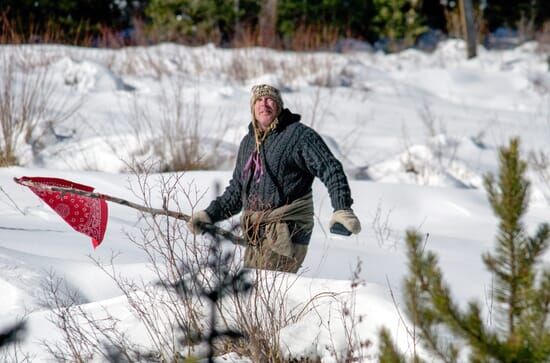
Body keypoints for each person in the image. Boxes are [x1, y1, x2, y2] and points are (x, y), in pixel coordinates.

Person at [187, 84, 361, 273]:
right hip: (256, 235)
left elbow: (330, 168)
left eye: (270, 99)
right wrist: (210, 214)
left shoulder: (298, 136)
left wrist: (342, 208)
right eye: (259, 100)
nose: (264, 104)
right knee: (258, 298)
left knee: (267, 293)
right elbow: (237, 191)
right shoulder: (248, 143)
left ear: (279, 106)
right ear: (253, 108)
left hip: (286, 232)